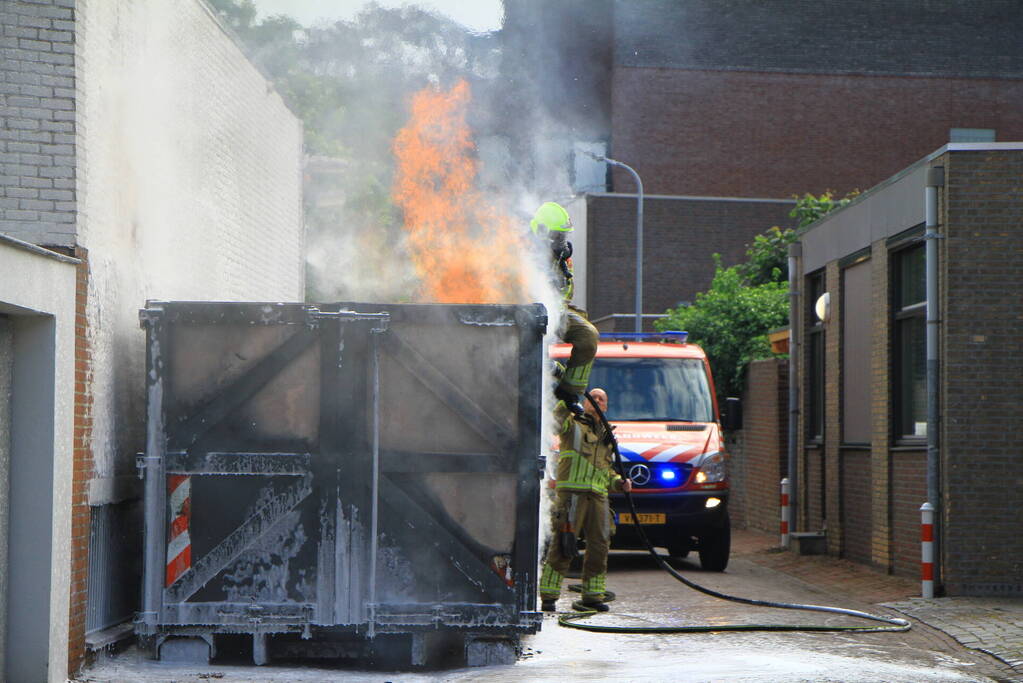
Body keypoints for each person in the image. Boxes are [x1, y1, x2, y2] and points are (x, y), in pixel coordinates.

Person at [539, 388, 632, 612]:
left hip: (598, 495)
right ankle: (549, 596)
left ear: (606, 406)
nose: (598, 400)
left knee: (600, 544)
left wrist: (619, 483)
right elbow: (556, 422)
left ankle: (593, 596)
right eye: (594, 398)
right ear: (586, 402)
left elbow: (605, 470)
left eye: (602, 399)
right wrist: (565, 401)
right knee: (564, 544)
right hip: (572, 494)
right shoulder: (573, 425)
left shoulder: (606, 434)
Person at [529, 201, 599, 415]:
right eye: (557, 236)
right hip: (526, 314)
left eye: (563, 236)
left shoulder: (563, 260)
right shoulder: (522, 253)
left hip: (556, 313)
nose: (562, 241)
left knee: (588, 336)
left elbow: (568, 294)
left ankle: (569, 393)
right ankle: (546, 367)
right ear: (541, 232)